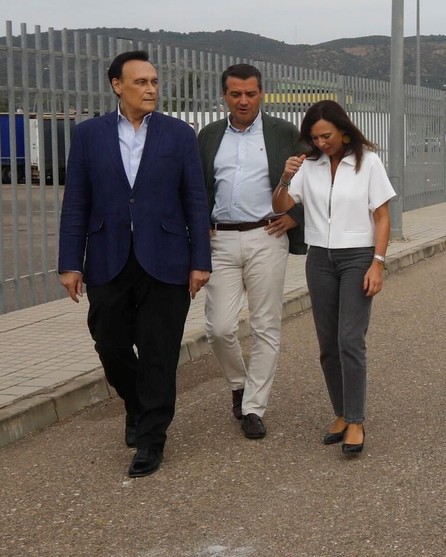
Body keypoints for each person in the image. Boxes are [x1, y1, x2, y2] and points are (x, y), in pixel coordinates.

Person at [58, 51, 211, 479]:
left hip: (166, 259)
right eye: (141, 82)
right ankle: (137, 405)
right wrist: (70, 263)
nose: (150, 89)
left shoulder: (180, 134)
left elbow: (195, 201)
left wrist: (200, 260)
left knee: (159, 352)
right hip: (107, 257)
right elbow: (76, 203)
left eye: (154, 82)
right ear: (116, 85)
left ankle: (151, 439)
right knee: (109, 344)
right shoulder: (89, 135)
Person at [272, 100, 395, 455]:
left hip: (357, 256)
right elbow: (280, 206)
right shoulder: (308, 166)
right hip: (319, 259)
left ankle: (356, 421)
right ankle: (340, 413)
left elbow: (383, 216)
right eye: (314, 137)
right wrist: (285, 177)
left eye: (326, 135)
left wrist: (378, 263)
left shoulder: (367, 162)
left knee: (350, 340)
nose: (321, 142)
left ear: (343, 130)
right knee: (328, 345)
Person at [197, 63, 307, 442]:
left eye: (251, 93)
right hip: (219, 240)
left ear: (262, 93)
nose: (243, 100)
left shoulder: (284, 133)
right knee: (219, 328)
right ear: (224, 95)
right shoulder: (209, 136)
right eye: (235, 94)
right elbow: (196, 186)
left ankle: (254, 408)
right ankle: (239, 384)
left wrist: (296, 215)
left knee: (266, 325)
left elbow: (313, 177)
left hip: (267, 235)